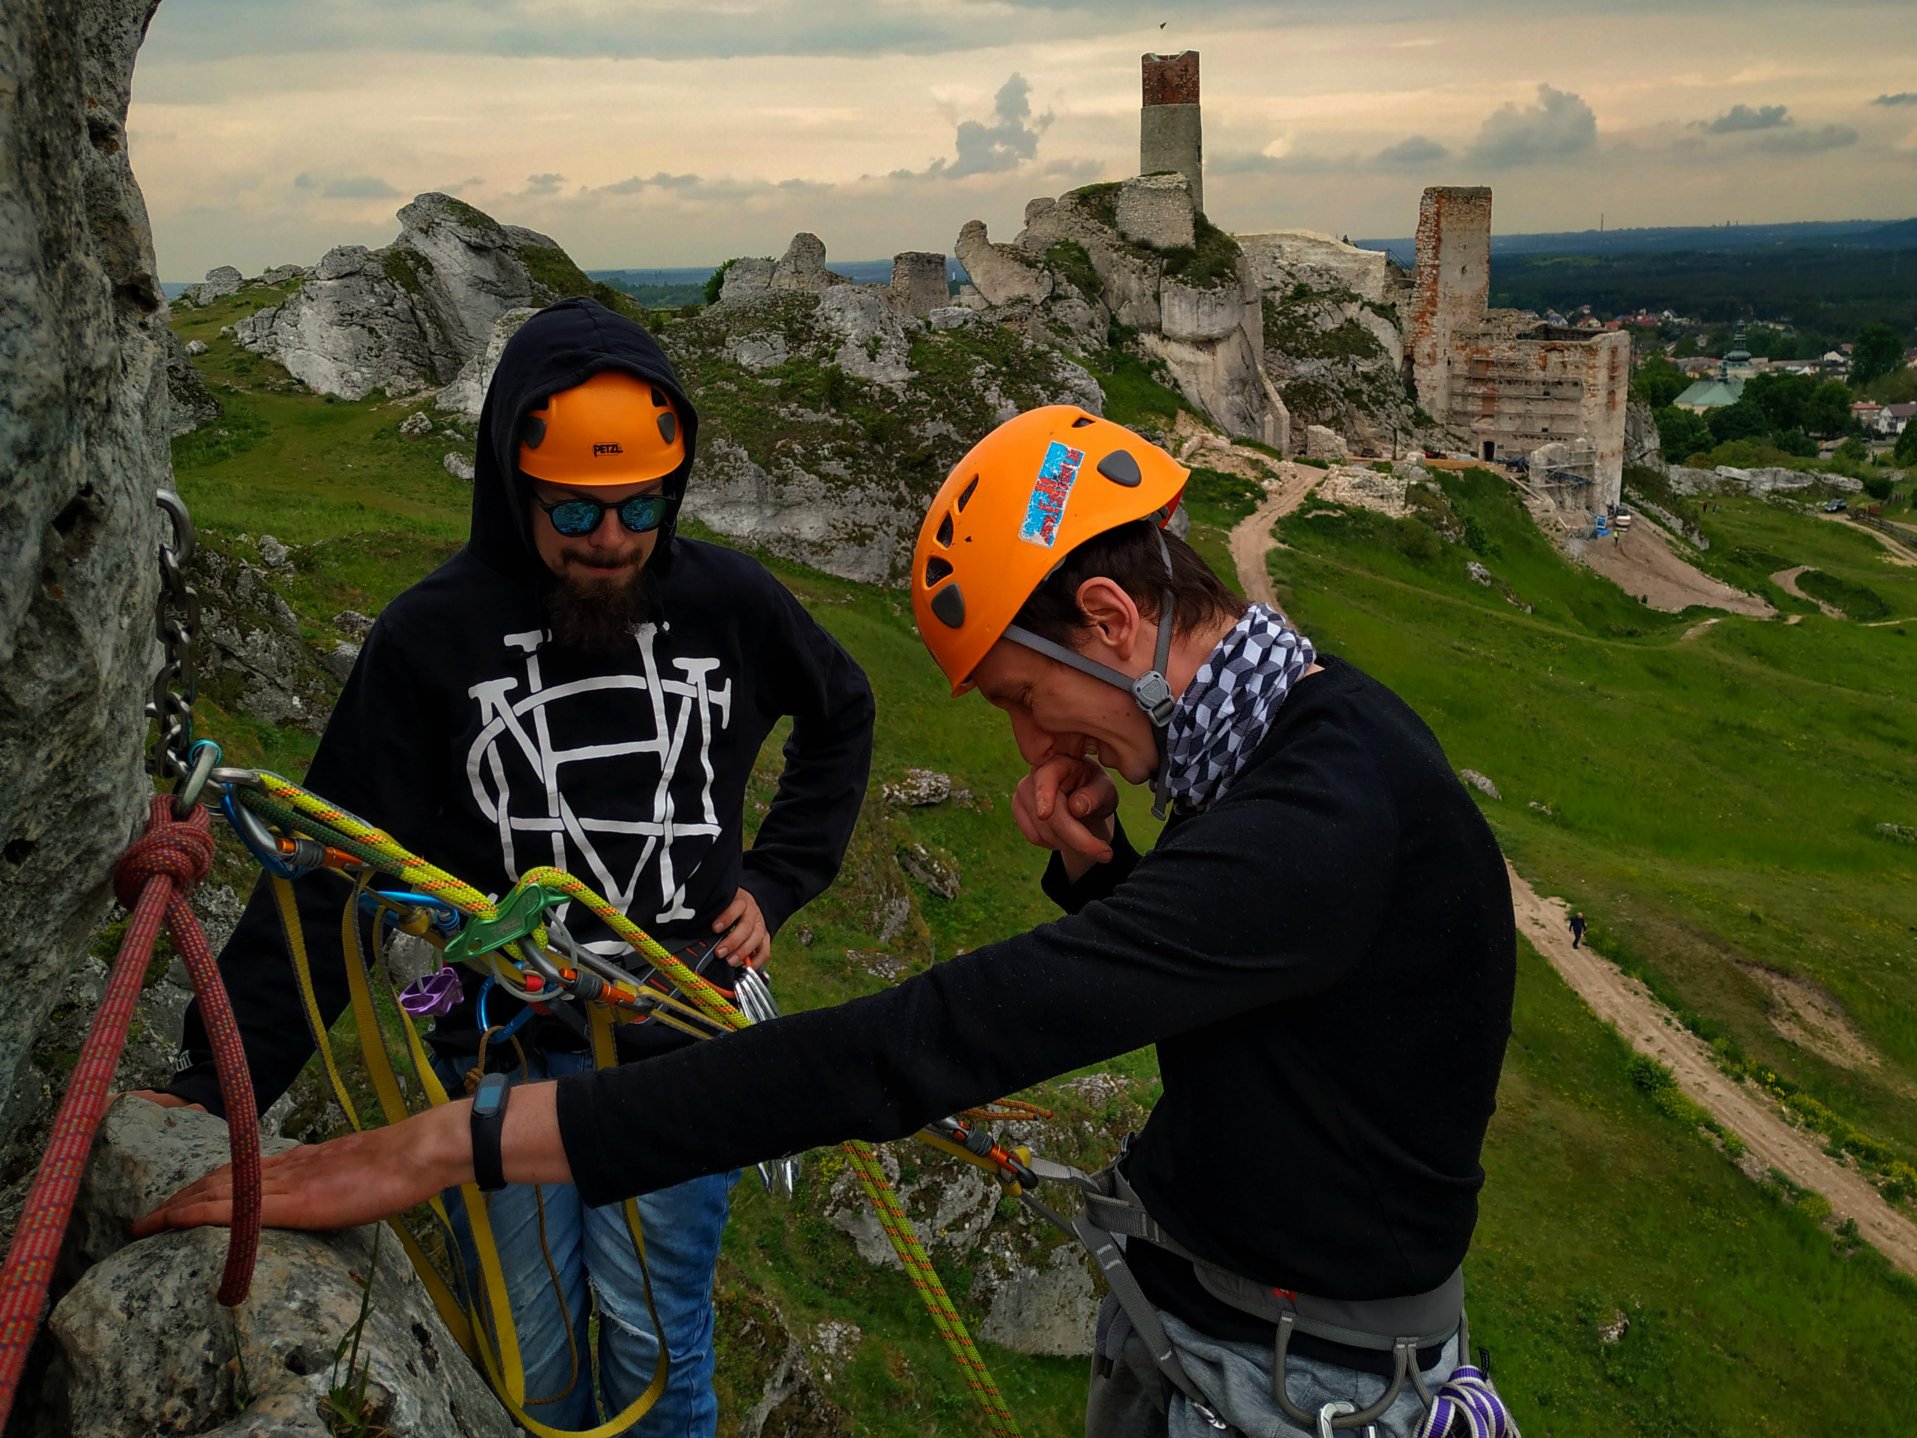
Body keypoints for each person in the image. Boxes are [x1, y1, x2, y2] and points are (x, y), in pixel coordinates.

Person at [142, 406, 1516, 1438]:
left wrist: (464, 1141)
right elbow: (1278, 1015)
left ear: (1107, 617)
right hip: (1226, 1329)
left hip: (1293, 1385)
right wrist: (1104, 875)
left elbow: (924, 1042)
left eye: (1019, 700)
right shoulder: (1287, 737)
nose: (1030, 740)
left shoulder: (1318, 811)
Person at [135, 297, 875, 1437]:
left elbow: (843, 712)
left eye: (640, 506)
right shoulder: (433, 638)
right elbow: (333, 869)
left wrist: (776, 883)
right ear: (513, 484)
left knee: (653, 1349)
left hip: (680, 1032)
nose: (612, 539)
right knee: (528, 1355)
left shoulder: (730, 604)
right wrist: (212, 1081)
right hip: (500, 1042)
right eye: (574, 509)